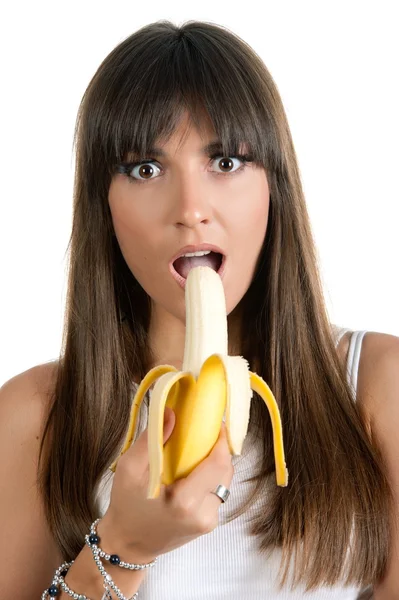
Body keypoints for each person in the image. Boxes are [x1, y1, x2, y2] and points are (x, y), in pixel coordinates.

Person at [1, 19, 398, 600]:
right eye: (145, 168)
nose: (190, 208)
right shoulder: (34, 416)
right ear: (102, 206)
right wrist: (123, 548)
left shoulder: (375, 386)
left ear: (274, 186)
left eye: (227, 162)